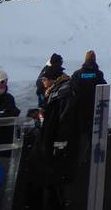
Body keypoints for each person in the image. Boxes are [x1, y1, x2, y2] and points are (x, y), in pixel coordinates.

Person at [35, 63, 79, 209]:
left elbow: (64, 120)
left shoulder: (63, 93)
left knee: (57, 179)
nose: (42, 83)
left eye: (44, 79)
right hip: (55, 141)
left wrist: (59, 143)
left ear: (52, 80)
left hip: (59, 144)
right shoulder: (56, 91)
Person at [71, 50, 107, 137]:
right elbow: (104, 88)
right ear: (95, 59)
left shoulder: (77, 74)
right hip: (95, 109)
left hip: (79, 109)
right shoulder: (99, 74)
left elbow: (72, 88)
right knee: (93, 135)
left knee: (79, 134)